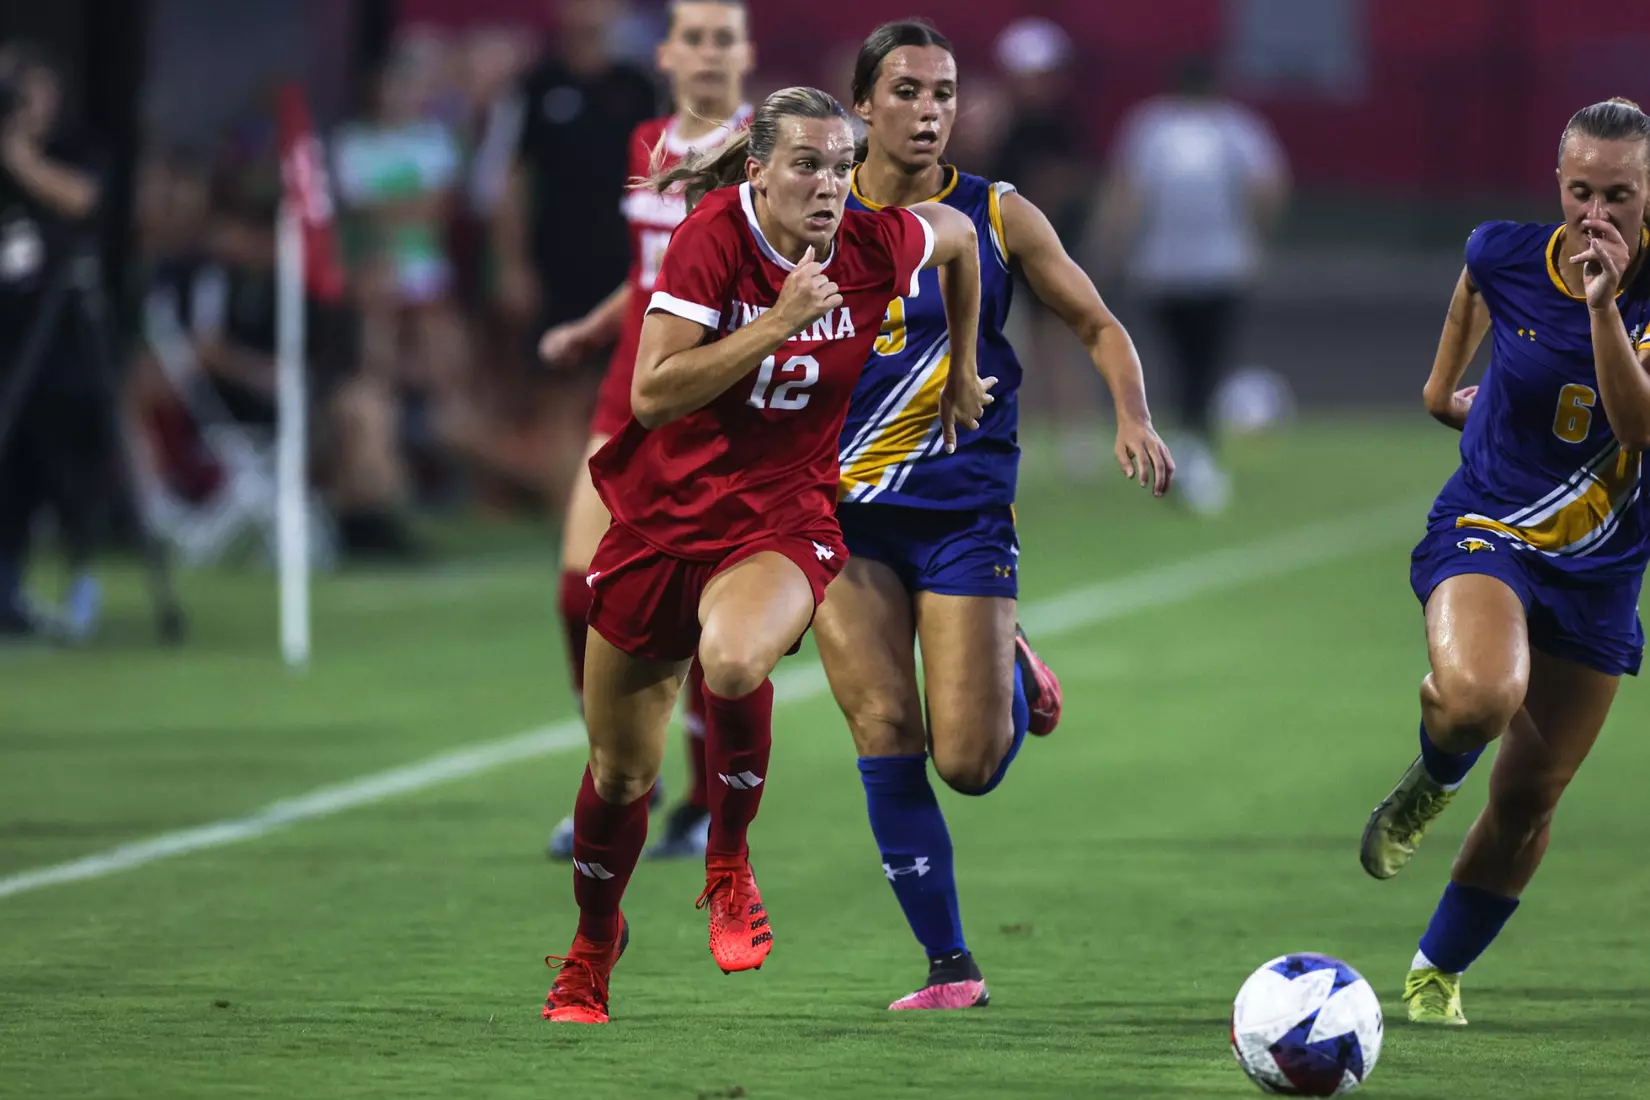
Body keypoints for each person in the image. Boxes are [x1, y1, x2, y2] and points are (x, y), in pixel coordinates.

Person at [541, 85, 991, 1025]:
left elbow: (957, 236)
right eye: (807, 166)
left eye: (841, 167)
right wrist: (780, 321)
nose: (830, 186)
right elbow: (655, 394)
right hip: (664, 522)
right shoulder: (711, 237)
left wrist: (959, 362)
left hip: (784, 517)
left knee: (737, 659)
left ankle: (729, 858)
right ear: (758, 170)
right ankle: (592, 946)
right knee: (620, 774)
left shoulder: (876, 241)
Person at [816, 20, 1174, 1012]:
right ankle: (950, 966)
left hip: (962, 509)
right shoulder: (811, 209)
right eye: (906, 92)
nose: (929, 111)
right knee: (882, 720)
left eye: (944, 93)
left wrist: (1130, 413)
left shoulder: (999, 213)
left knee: (969, 761)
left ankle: (1011, 662)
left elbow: (1096, 320)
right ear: (862, 104)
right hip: (840, 517)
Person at [1359, 98, 1650, 1026]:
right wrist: (1449, 394)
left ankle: (1435, 970)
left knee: (1529, 793)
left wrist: (1604, 307)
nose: (1595, 213)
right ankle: (1433, 775)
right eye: (1579, 191)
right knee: (1483, 695)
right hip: (1491, 525)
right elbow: (1456, 338)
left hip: (1603, 569)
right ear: (1556, 183)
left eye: (1620, 195)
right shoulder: (1502, 252)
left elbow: (1638, 429)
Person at [541, 0, 756, 863]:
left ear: (745, 53)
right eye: (693, 38)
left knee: (702, 614)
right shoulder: (647, 145)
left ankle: (706, 804)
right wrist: (596, 328)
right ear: (666, 53)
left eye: (723, 38)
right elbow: (653, 273)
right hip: (627, 394)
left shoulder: (769, 152)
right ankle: (627, 764)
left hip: (710, 402)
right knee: (575, 594)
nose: (707, 53)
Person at [1097, 54, 1288, 515]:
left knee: (1178, 368)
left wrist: (1109, 251)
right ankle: (1195, 453)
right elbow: (1268, 186)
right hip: (1222, 268)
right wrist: (1259, 239)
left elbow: (1128, 194)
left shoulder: (1150, 127)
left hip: (1162, 270)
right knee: (1205, 367)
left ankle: (1185, 451)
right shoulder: (1237, 127)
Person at [0, 41, 109, 640]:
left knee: (67, 467)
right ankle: (7, 590)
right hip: (6, 339)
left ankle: (81, 582)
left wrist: (18, 158)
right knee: (9, 474)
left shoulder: (76, 149)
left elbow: (81, 198)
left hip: (61, 341)